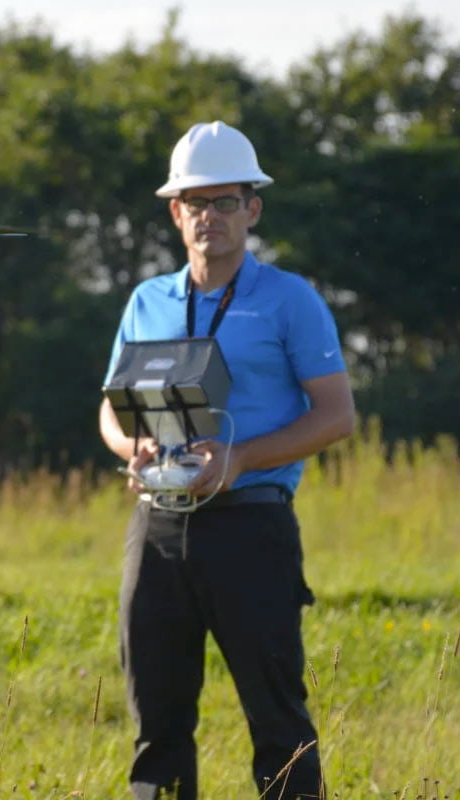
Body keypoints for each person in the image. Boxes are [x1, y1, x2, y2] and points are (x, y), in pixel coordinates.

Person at [98, 120, 355, 800]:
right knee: (156, 724)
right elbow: (110, 410)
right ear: (175, 211)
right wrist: (134, 445)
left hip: (251, 525)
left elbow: (337, 416)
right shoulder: (146, 300)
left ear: (252, 209)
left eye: (225, 201)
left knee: (278, 722)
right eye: (195, 202)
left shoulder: (290, 300)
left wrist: (241, 459)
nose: (209, 216)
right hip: (157, 526)